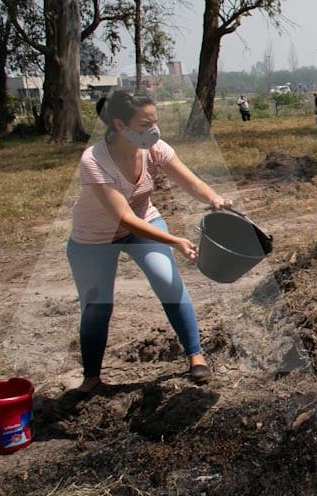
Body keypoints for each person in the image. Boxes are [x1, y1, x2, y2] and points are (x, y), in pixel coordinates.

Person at [67, 90, 233, 394]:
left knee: (167, 280)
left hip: (145, 222)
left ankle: (196, 355)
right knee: (97, 307)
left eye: (155, 121)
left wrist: (215, 199)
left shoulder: (153, 147)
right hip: (94, 237)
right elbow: (124, 219)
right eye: (145, 124)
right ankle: (91, 377)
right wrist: (175, 241)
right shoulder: (94, 161)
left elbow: (189, 181)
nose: (154, 130)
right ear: (120, 124)